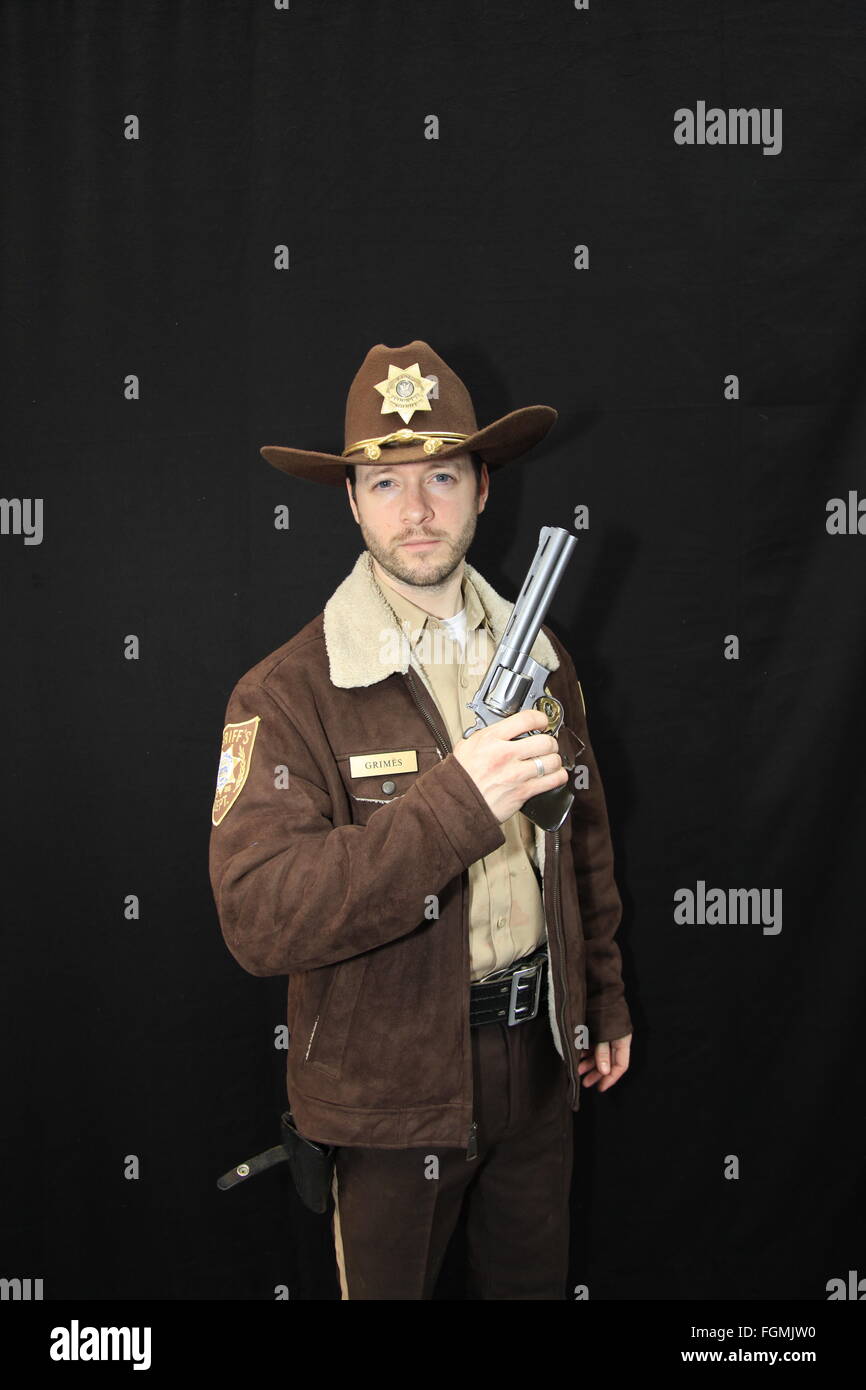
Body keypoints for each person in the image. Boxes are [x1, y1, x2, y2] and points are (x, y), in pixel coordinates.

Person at [209, 339, 633, 1300]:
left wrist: (598, 1000)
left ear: (483, 486)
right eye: (387, 481)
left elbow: (585, 841)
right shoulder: (285, 693)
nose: (418, 508)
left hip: (537, 1059)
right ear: (351, 500)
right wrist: (455, 807)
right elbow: (258, 914)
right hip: (386, 1097)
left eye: (442, 474)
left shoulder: (543, 656)